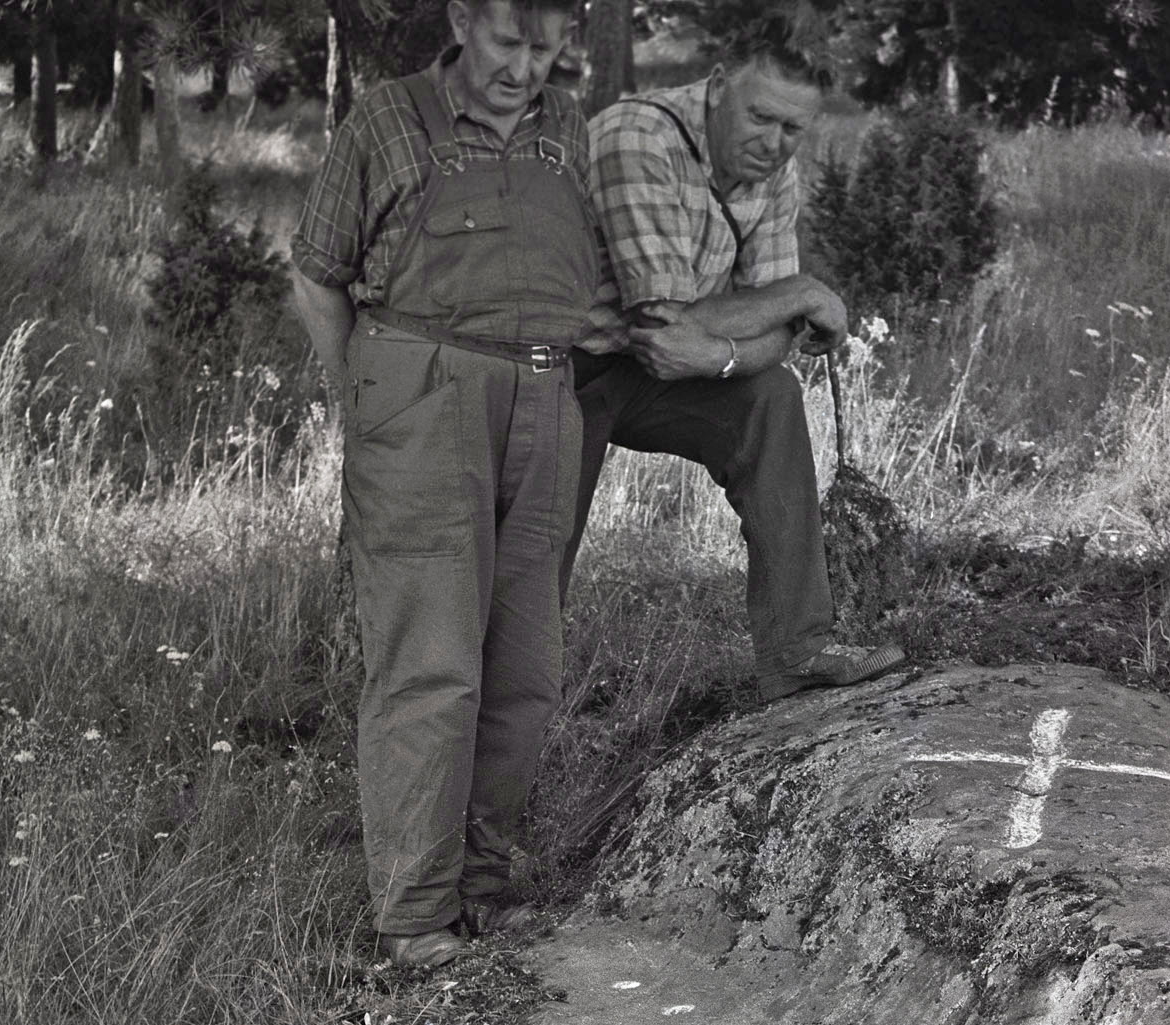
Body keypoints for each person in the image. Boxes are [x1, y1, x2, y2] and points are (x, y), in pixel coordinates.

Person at [290, 0, 602, 975]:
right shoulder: (387, 118)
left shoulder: (567, 129)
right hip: (423, 389)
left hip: (545, 396)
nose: (526, 67)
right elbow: (316, 272)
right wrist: (368, 399)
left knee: (524, 666)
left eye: (549, 46)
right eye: (510, 41)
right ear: (464, 18)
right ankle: (416, 919)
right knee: (431, 663)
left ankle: (483, 891)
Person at [566, 29, 905, 703]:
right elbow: (660, 318)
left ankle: (798, 649)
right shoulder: (639, 136)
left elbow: (773, 337)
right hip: (561, 372)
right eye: (759, 117)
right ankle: (509, 717)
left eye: (791, 129)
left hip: (661, 369)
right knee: (531, 563)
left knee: (769, 396)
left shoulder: (773, 171)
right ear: (718, 85)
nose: (773, 143)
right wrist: (802, 293)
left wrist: (720, 357)